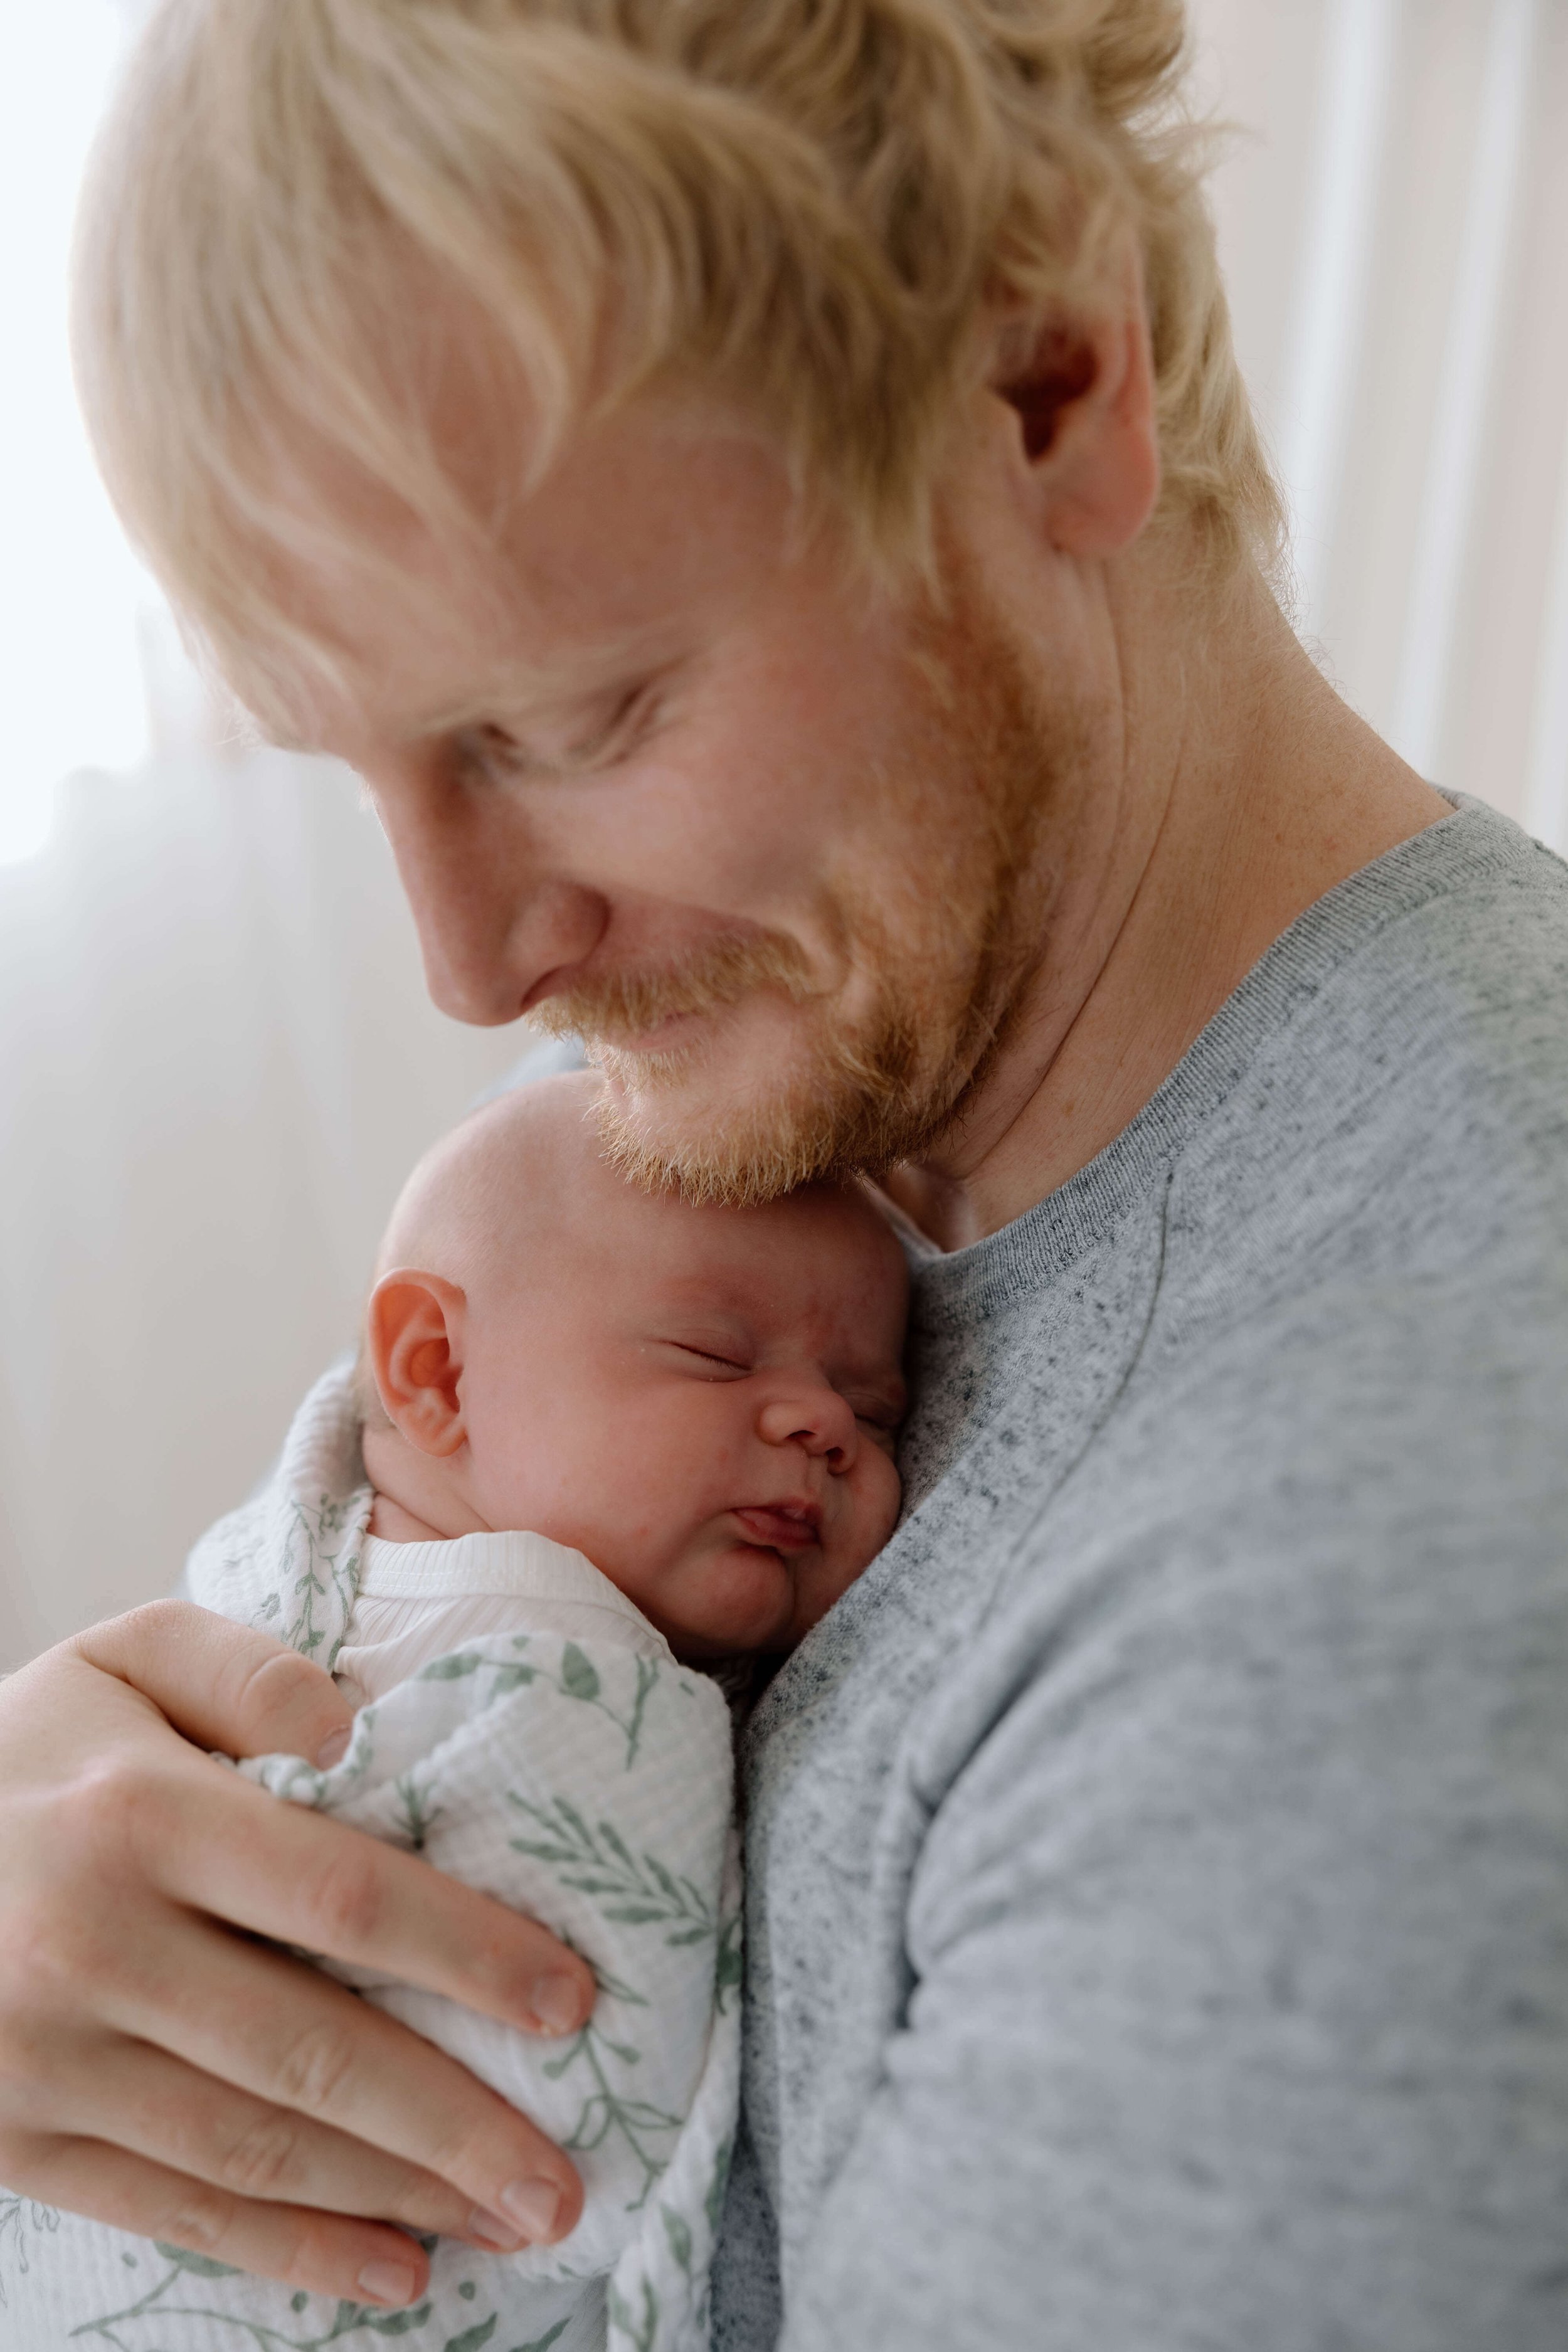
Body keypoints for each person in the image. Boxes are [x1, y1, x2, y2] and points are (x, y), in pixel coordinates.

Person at [1, 0, 1564, 2344]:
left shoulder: (1379, 1588)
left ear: (1046, 378)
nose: (470, 961)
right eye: (366, 768)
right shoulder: (803, 1148)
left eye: (572, 721)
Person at [0, 1074, 906, 2349]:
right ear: (431, 1376)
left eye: (875, 1415)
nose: (821, 1422)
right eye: (712, 1352)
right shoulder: (545, 1663)